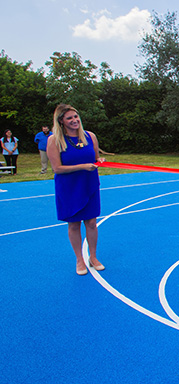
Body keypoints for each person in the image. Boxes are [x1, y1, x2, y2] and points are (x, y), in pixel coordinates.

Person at [47, 104, 106, 276]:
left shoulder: (90, 136)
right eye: (69, 118)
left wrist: (99, 160)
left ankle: (93, 257)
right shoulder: (54, 140)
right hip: (69, 187)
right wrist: (82, 166)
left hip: (89, 183)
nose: (75, 120)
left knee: (92, 223)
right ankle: (79, 260)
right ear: (61, 121)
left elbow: (95, 158)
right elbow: (56, 168)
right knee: (74, 224)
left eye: (76, 116)